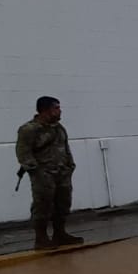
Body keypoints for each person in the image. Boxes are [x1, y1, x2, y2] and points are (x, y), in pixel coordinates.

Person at [16, 96, 84, 250]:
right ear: (45, 110)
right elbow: (23, 152)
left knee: (63, 203)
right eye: (56, 108)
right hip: (43, 175)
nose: (60, 111)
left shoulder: (59, 128)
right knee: (43, 205)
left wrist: (70, 166)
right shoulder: (29, 129)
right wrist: (36, 170)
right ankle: (41, 238)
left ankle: (60, 234)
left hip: (62, 173)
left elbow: (66, 148)